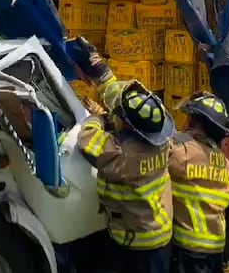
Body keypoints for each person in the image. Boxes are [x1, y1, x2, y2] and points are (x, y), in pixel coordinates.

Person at [69, 37, 176, 273]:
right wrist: (99, 69)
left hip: (137, 245)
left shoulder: (124, 156)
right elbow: (117, 94)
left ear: (126, 126)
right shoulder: (159, 135)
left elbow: (88, 141)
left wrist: (97, 117)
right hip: (159, 236)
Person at [169, 91, 229, 273]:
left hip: (189, 247)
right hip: (215, 245)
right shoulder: (224, 162)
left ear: (195, 122)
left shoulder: (182, 153)